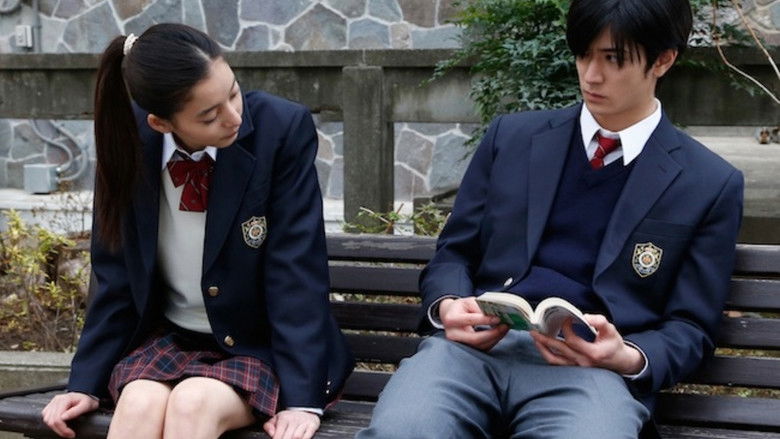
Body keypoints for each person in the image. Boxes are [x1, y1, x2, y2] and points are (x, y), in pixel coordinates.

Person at [357, 0, 743, 437]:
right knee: (403, 430)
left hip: (590, 372)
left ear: (663, 60)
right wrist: (449, 305)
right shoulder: (511, 138)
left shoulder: (707, 183)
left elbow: (691, 327)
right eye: (583, 54)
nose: (591, 75)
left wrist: (626, 356)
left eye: (613, 59)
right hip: (473, 353)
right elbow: (454, 254)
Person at [40, 23, 353, 439]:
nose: (234, 117)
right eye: (209, 115)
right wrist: (84, 383)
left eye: (234, 93)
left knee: (193, 403)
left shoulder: (280, 129)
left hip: (261, 345)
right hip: (172, 339)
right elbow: (116, 271)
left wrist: (302, 400)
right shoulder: (130, 139)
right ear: (161, 123)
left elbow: (295, 268)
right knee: (138, 404)